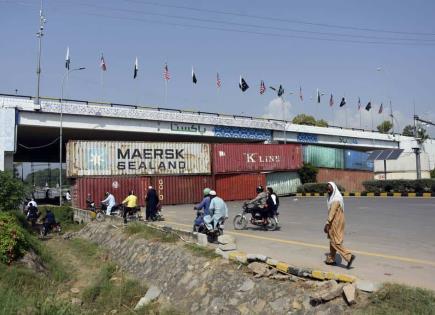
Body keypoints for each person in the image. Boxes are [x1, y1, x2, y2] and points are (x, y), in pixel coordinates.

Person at [324, 182, 356, 269]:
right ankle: (331, 259)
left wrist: (327, 223)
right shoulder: (333, 197)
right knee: (332, 239)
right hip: (337, 220)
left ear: (334, 189)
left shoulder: (336, 199)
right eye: (327, 189)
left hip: (336, 221)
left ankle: (348, 257)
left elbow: (332, 212)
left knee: (335, 241)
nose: (328, 190)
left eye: (329, 188)